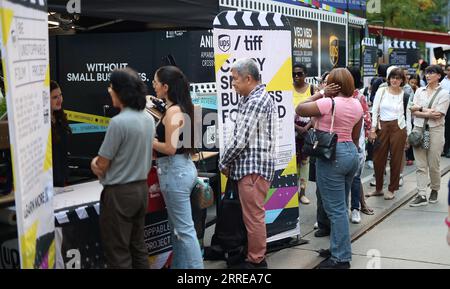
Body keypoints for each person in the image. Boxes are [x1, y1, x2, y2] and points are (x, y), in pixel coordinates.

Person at [296, 68, 363, 269]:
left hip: (332, 156)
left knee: (335, 210)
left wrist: (322, 92)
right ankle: (337, 248)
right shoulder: (357, 103)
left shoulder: (328, 102)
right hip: (350, 152)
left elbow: (300, 108)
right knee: (340, 206)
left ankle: (341, 258)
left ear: (332, 84)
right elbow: (355, 133)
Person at [91, 68, 154, 269]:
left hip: (119, 194)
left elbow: (102, 164)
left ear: (120, 91)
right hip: (141, 190)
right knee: (138, 247)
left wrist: (94, 164)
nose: (109, 91)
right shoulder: (148, 118)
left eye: (111, 87)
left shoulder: (118, 123)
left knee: (118, 252)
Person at [218, 58, 277, 269]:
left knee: (253, 217)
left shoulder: (256, 101)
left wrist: (223, 161)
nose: (232, 83)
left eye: (234, 79)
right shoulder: (249, 97)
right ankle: (252, 255)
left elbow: (241, 139)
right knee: (251, 216)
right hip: (250, 168)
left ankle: (256, 260)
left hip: (253, 170)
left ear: (248, 78)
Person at [152, 65, 204, 269]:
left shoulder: (173, 111)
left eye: (156, 82)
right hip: (182, 168)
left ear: (165, 86)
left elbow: (170, 148)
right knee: (180, 229)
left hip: (174, 171)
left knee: (184, 230)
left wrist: (150, 141)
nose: (153, 86)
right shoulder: (183, 106)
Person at [409, 65, 450, 207]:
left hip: (435, 131)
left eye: (431, 73)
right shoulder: (420, 90)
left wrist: (420, 110)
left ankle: (434, 189)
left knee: (434, 164)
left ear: (439, 76)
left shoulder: (444, 94)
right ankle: (421, 194)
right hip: (419, 129)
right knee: (420, 165)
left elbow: (439, 114)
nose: (428, 75)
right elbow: (413, 110)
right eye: (427, 73)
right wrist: (425, 111)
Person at [367, 67, 410, 201]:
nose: (394, 80)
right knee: (378, 158)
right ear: (389, 78)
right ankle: (378, 188)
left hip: (399, 127)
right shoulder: (382, 91)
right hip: (382, 127)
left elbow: (407, 115)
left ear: (402, 80)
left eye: (397, 78)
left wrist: (408, 134)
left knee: (396, 160)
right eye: (392, 77)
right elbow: (374, 110)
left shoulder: (406, 94)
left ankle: (392, 189)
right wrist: (373, 130)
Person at [347, 67, 374, 223]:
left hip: (357, 142)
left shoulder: (359, 97)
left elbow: (367, 119)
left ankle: (356, 207)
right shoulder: (336, 95)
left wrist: (368, 134)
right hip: (340, 142)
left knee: (355, 177)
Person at [292, 63, 315, 205]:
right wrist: (296, 127)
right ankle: (293, 194)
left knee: (305, 163)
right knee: (294, 163)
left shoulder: (312, 89)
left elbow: (316, 111)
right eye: (294, 74)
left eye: (299, 74)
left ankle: (303, 193)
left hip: (307, 131)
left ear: (305, 74)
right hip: (292, 131)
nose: (296, 76)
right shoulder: (288, 89)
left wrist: (306, 127)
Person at [50, 80, 71, 187]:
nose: (59, 99)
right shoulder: (40, 124)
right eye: (55, 97)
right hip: (49, 182)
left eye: (60, 95)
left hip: (63, 178)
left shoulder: (60, 118)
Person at [441, 65, 450, 158]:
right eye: (448, 70)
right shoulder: (443, 83)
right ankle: (446, 149)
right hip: (446, 108)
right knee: (447, 129)